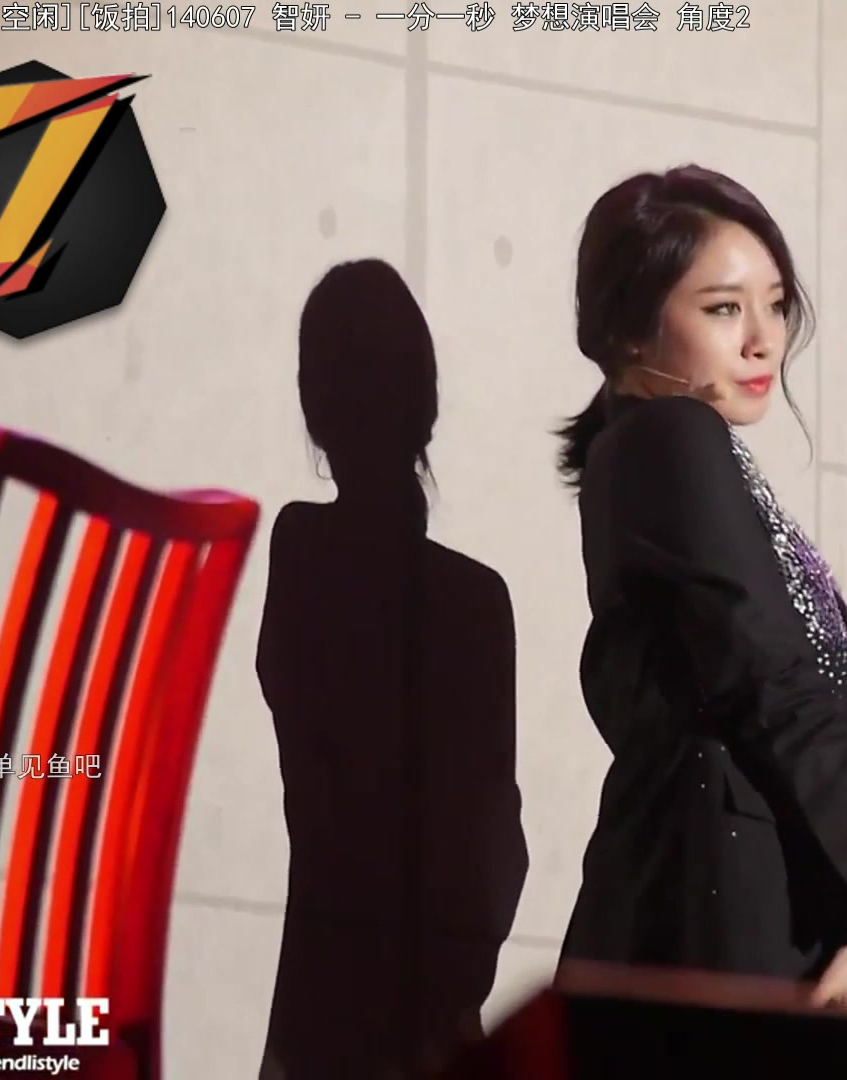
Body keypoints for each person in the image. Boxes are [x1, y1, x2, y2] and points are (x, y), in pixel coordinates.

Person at [553, 166, 847, 1017]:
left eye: (775, 304)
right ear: (628, 327)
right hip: (713, 919)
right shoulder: (671, 437)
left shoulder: (665, 451)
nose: (764, 340)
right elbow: (775, 685)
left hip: (744, 909)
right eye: (725, 308)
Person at [259, 259, 527, 1077]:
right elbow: (495, 840)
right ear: (428, 405)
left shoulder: (302, 553)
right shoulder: (478, 602)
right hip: (435, 1012)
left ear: (314, 411)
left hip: (321, 1006)